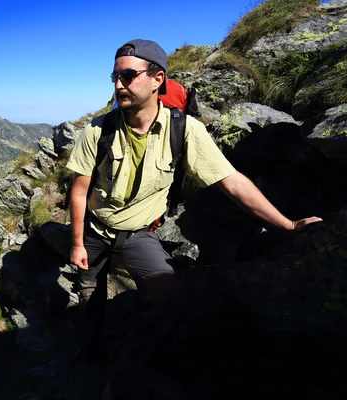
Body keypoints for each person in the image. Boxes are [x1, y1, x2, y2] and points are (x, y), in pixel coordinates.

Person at [65, 39, 322, 364]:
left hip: (139, 233)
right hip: (95, 231)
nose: (118, 85)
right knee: (90, 296)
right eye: (114, 77)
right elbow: (78, 190)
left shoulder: (184, 130)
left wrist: (287, 225)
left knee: (169, 298)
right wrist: (76, 243)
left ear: (158, 79)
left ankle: (137, 361)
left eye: (128, 76)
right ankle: (86, 354)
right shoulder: (98, 131)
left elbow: (232, 181)